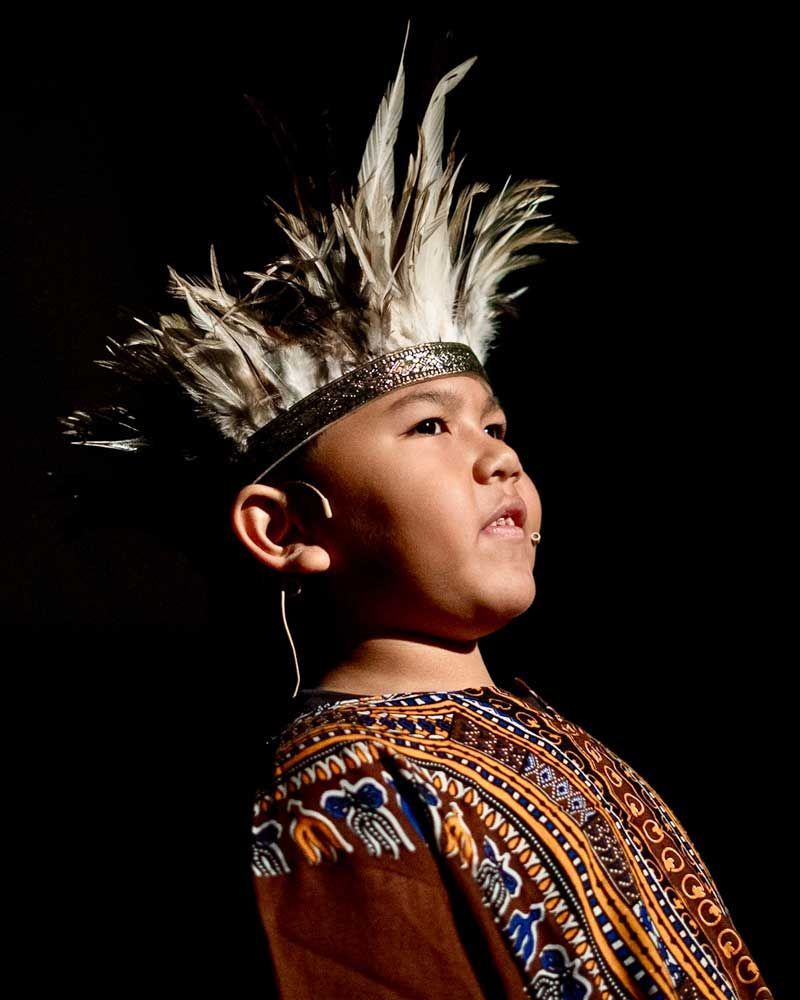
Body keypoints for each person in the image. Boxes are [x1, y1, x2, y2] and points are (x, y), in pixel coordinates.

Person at [59, 22, 772, 1000]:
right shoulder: (341, 788)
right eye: (430, 427)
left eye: (495, 423)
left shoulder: (528, 726)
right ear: (286, 528)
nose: (495, 456)